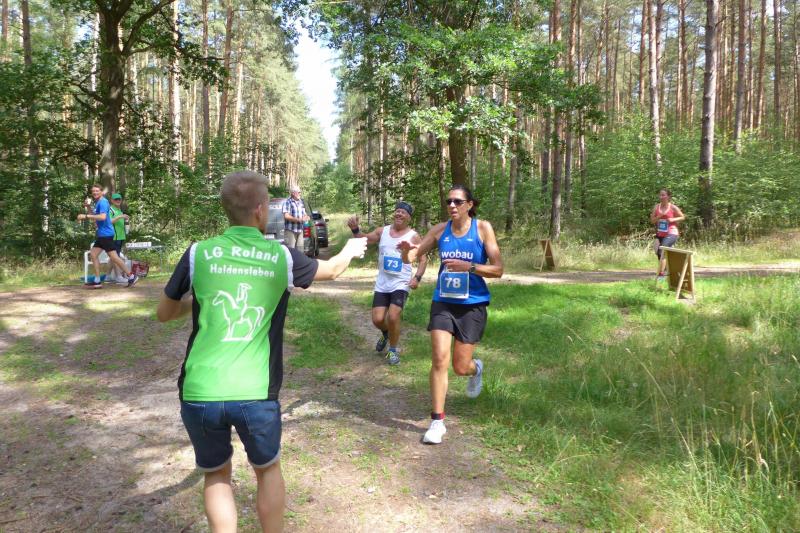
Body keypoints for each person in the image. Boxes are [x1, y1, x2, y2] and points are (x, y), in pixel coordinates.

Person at [157, 170, 367, 533]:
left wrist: (204, 300)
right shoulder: (279, 256)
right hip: (255, 391)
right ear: (260, 209)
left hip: (200, 390)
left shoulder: (198, 253)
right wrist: (351, 248)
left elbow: (164, 312)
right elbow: (332, 270)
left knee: (216, 474)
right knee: (267, 469)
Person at [398, 185, 503, 444]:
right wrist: (405, 251)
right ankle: (437, 422)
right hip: (443, 302)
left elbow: (498, 269)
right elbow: (411, 257)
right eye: (449, 201)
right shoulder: (439, 230)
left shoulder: (482, 228)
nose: (452, 206)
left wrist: (470, 267)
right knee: (439, 359)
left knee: (460, 366)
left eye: (458, 201)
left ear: (469, 205)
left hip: (472, 304)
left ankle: (475, 369)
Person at [347, 201, 428, 365]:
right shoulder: (382, 231)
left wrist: (417, 277)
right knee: (377, 320)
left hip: (401, 282)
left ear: (409, 218)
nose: (399, 214)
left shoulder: (413, 236)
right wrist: (355, 229)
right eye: (397, 211)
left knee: (393, 316)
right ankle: (386, 333)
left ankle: (393, 350)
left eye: (403, 212)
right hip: (383, 283)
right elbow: (364, 239)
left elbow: (423, 259)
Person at [77, 185, 138, 288]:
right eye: (93, 191)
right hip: (102, 234)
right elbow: (95, 217)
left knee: (114, 257)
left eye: (97, 191)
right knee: (93, 254)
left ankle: (131, 276)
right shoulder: (98, 203)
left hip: (106, 234)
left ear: (102, 192)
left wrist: (85, 216)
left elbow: (102, 217)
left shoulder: (103, 202)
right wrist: (88, 207)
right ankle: (97, 280)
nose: (95, 193)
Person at [650, 188, 685, 280]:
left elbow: (682, 217)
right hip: (660, 233)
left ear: (668, 196)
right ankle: (667, 268)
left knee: (662, 250)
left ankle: (661, 275)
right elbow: (652, 221)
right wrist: (659, 216)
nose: (661, 197)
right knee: (658, 252)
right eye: (660, 195)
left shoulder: (672, 207)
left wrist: (673, 219)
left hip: (672, 232)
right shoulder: (656, 207)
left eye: (663, 195)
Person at [108, 193, 130, 283]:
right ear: (112, 200)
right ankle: (118, 276)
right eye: (116, 199)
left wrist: (125, 220)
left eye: (119, 199)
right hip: (114, 237)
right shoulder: (110, 210)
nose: (118, 201)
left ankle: (107, 276)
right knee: (115, 257)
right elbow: (109, 221)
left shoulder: (119, 210)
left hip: (120, 236)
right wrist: (121, 216)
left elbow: (120, 222)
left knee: (113, 257)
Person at [282, 185, 308, 251]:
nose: (300, 193)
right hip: (290, 230)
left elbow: (304, 213)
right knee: (291, 251)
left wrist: (306, 217)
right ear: (293, 193)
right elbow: (286, 216)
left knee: (300, 251)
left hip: (300, 230)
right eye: (298, 192)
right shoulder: (287, 202)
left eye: (300, 192)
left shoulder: (301, 202)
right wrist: (299, 220)